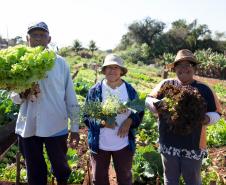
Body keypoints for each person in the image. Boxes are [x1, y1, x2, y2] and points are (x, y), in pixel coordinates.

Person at [10, 21, 80, 185]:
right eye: (34, 35)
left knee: (61, 168)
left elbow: (70, 96)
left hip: (55, 125)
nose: (38, 39)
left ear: (49, 39)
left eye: (42, 35)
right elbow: (14, 97)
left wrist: (75, 127)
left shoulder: (60, 63)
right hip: (28, 126)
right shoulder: (20, 62)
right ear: (28, 39)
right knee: (34, 172)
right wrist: (22, 93)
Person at [145, 49, 222, 185]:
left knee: (192, 181)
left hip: (193, 145)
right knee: (170, 180)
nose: (184, 69)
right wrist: (158, 105)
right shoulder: (166, 84)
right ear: (175, 69)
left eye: (188, 65)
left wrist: (206, 119)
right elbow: (148, 100)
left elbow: (217, 112)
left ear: (194, 69)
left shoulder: (204, 88)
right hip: (168, 143)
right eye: (180, 65)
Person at [83, 54, 144, 185]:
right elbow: (87, 117)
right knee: (99, 179)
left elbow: (139, 111)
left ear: (121, 71)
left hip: (123, 144)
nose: (112, 70)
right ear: (104, 70)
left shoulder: (129, 90)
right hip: (99, 145)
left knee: (125, 178)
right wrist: (104, 122)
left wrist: (129, 121)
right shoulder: (95, 91)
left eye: (115, 67)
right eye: (108, 67)